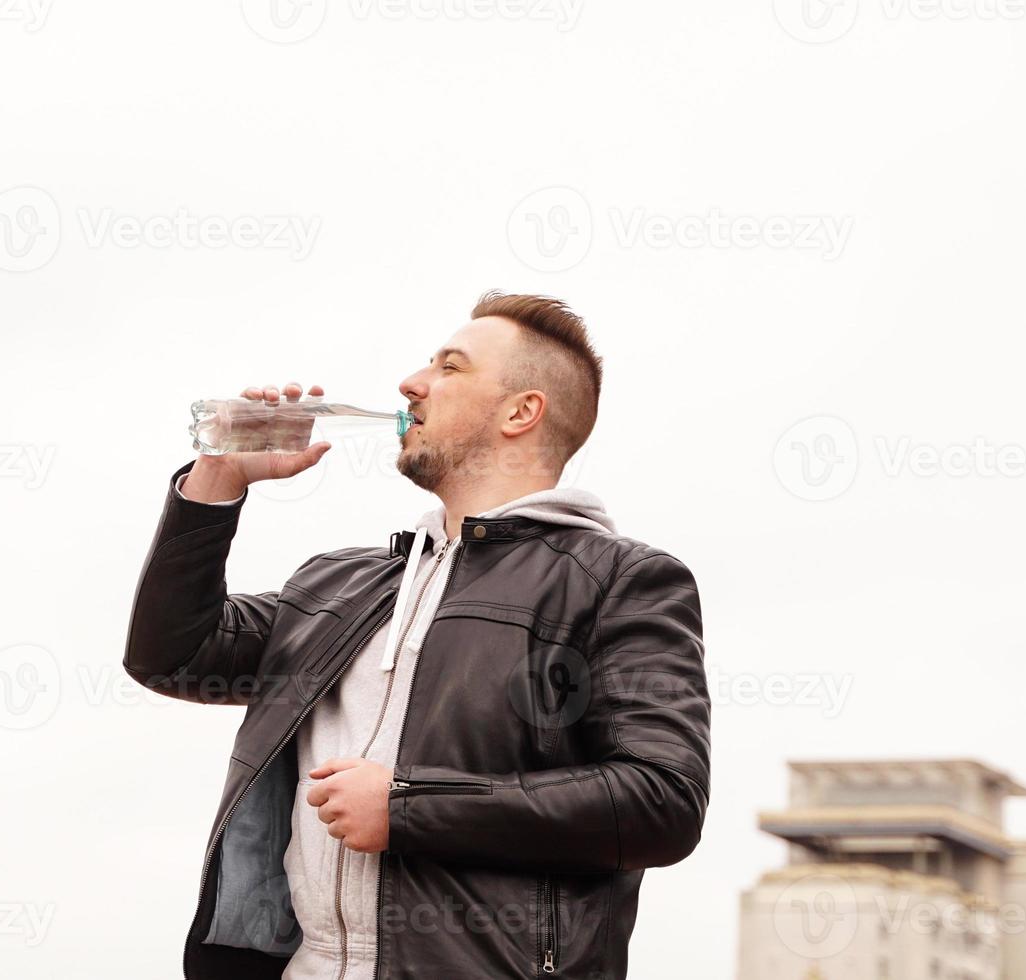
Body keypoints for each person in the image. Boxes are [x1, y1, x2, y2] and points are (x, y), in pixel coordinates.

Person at [123, 291, 710, 980]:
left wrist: (407, 806)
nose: (411, 382)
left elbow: (661, 801)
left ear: (521, 411)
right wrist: (217, 479)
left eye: (450, 367)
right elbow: (172, 654)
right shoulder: (334, 587)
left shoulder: (617, 581)